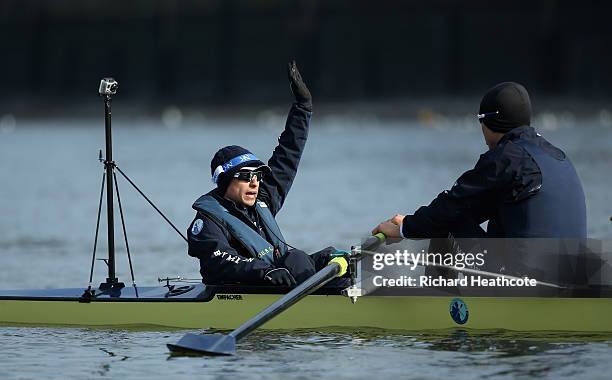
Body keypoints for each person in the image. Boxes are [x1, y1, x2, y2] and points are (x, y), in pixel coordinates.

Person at [371, 82, 587, 278]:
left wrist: (405, 228)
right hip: (576, 278)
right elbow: (476, 207)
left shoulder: (505, 158)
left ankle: (438, 308)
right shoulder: (557, 155)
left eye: (480, 122)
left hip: (527, 285)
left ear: (490, 120)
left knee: (451, 218)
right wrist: (414, 222)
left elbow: (453, 206)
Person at [188, 61, 347, 287]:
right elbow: (218, 260)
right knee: (297, 260)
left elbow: (288, 156)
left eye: (258, 176)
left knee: (333, 259)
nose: (254, 183)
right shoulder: (208, 220)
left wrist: (304, 107)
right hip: (239, 289)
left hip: (272, 277)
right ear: (224, 181)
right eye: (245, 176)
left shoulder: (262, 201)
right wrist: (264, 272)